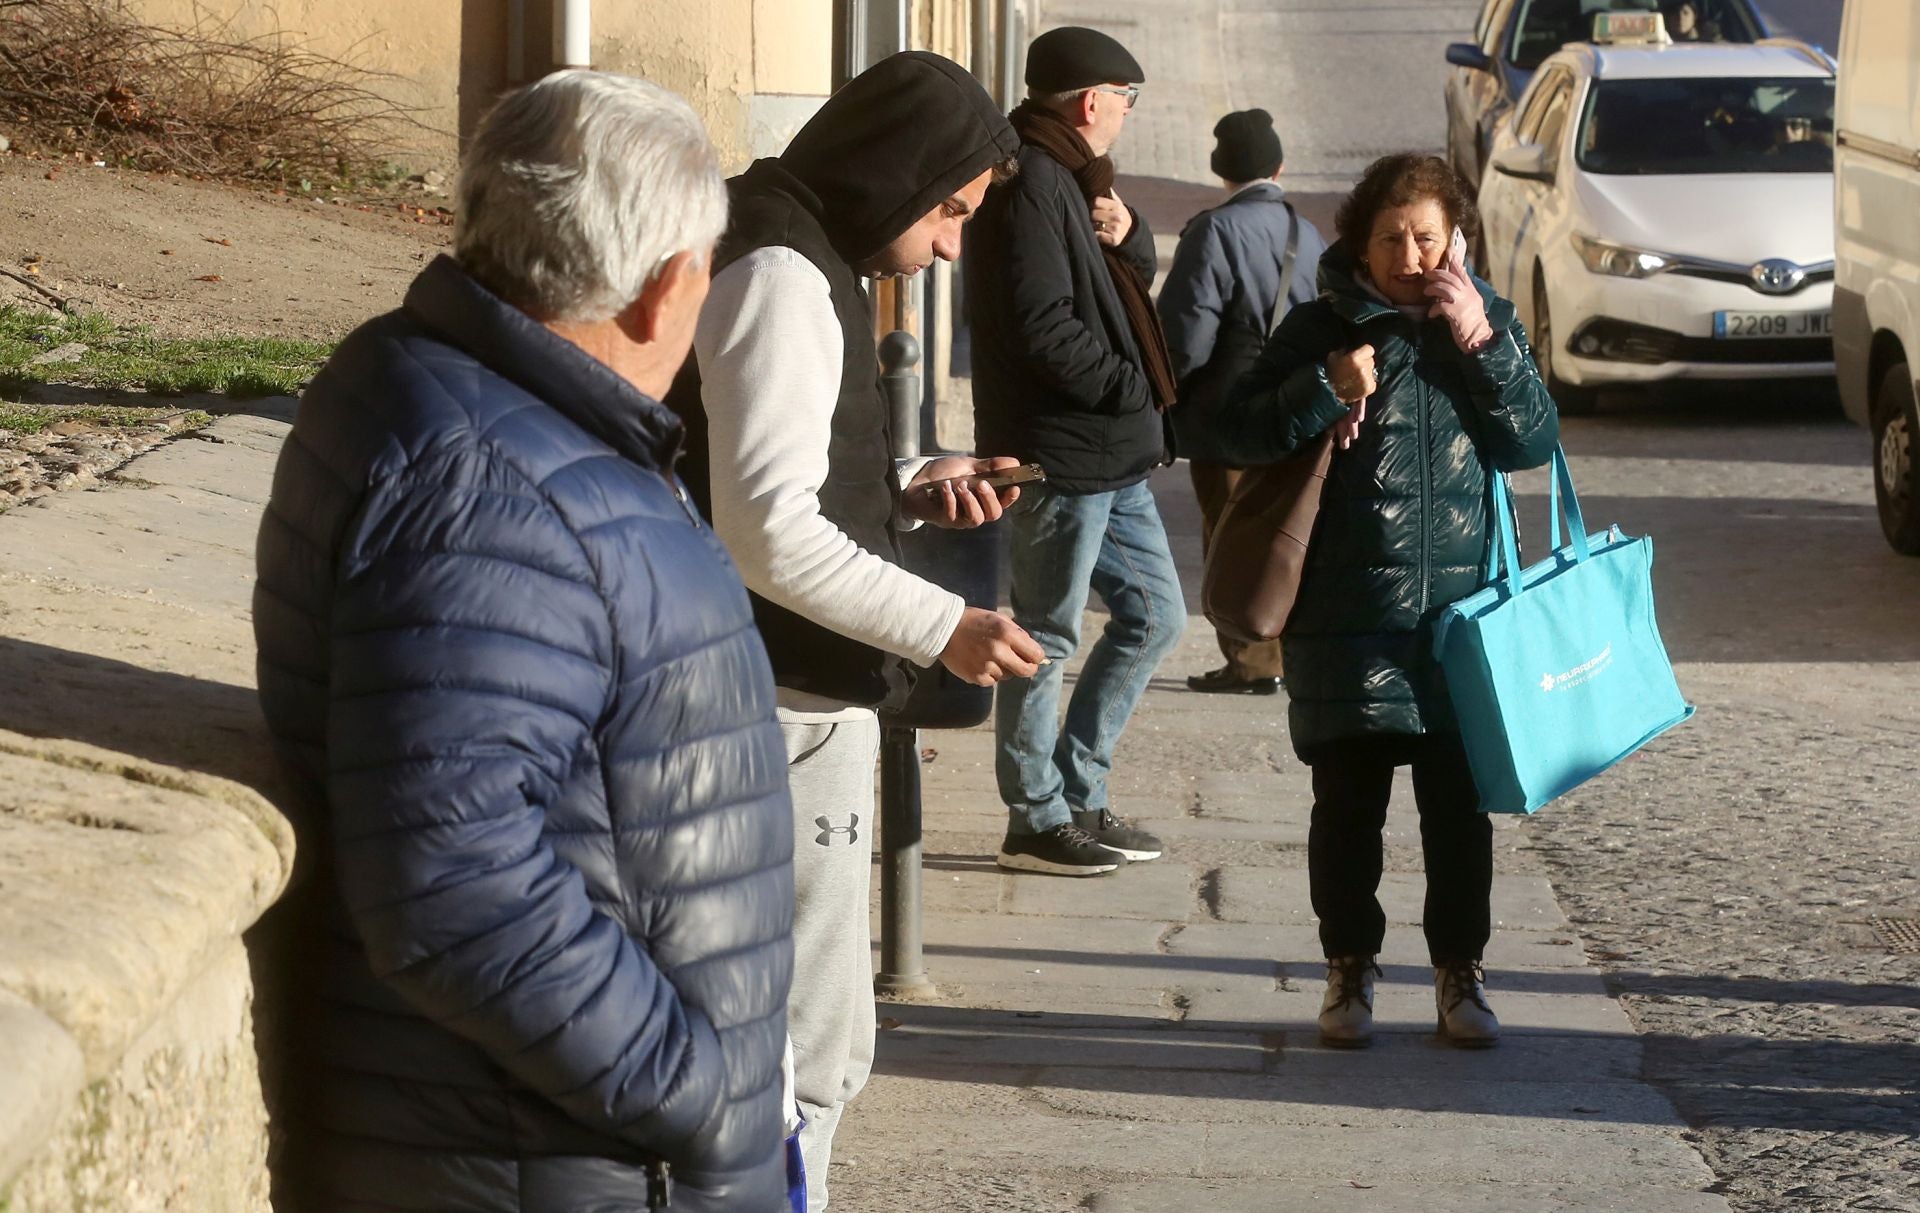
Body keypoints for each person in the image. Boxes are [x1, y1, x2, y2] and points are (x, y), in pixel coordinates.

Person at [251, 72, 792, 1211]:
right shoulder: (494, 486)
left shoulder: (468, 400)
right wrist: (691, 1086)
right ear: (664, 289)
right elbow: (453, 872)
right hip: (559, 1161)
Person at [665, 51, 1044, 1211]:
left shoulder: (797, 252)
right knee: (800, 1049)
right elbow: (767, 533)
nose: (947, 245)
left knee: (811, 1042)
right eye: (952, 211)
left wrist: (910, 483)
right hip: (774, 704)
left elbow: (775, 477)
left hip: (782, 696)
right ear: (898, 175)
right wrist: (949, 626)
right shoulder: (783, 272)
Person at [1199, 153, 1559, 1049]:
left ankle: (1458, 975)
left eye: (1426, 237)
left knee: (1458, 815)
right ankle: (1348, 970)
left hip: (1459, 623)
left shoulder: (1485, 324)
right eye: (1391, 237)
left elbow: (1532, 445)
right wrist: (1326, 385)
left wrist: (1483, 339)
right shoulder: (1318, 328)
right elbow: (1232, 428)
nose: (1409, 254)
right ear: (1360, 243)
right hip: (1344, 622)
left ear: (1456, 242)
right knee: (1347, 812)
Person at [967, 25, 1184, 877]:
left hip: (1111, 455)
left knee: (1157, 616)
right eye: (1126, 102)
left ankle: (1079, 789)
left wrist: (1127, 230)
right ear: (1095, 102)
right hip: (1062, 451)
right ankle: (1033, 816)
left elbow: (1121, 281)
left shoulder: (1075, 179)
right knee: (1045, 634)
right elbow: (1041, 327)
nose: (1127, 116)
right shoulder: (1028, 184)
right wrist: (1130, 386)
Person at [1158, 107, 1328, 696]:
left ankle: (1251, 660)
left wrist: (1161, 394)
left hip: (1227, 414)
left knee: (1230, 532)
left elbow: (1187, 333)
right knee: (1282, 528)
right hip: (1295, 407)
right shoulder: (1308, 235)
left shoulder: (1214, 231)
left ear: (1222, 172)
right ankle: (1279, 650)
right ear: (1278, 168)